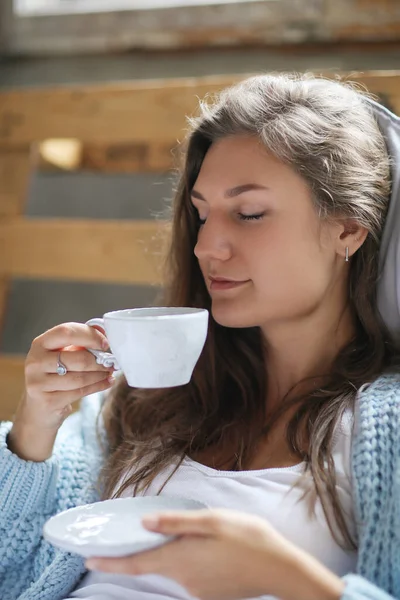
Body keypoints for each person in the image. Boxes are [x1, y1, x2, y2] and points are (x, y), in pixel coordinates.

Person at [1, 72, 400, 600]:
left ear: (348, 228)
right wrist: (34, 429)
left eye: (250, 213)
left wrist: (281, 577)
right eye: (202, 213)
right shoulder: (146, 403)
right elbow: (14, 571)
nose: (207, 246)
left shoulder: (384, 433)